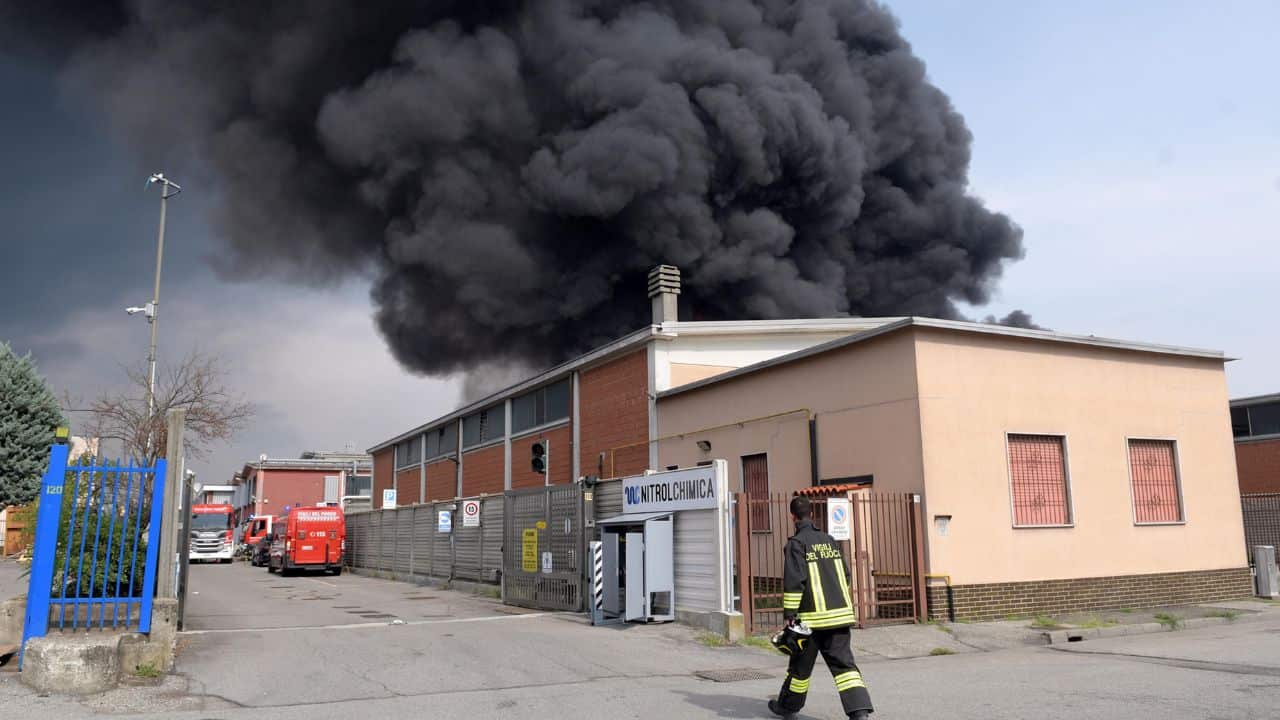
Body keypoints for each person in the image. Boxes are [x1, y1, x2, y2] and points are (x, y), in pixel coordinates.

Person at [769, 495, 873, 719]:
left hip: (811, 620)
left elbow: (795, 581)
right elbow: (844, 575)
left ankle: (787, 707)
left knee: (800, 668)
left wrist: (789, 615)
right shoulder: (829, 540)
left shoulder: (796, 544)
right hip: (839, 617)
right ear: (812, 514)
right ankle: (859, 713)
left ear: (792, 517)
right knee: (845, 667)